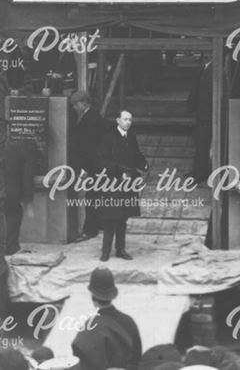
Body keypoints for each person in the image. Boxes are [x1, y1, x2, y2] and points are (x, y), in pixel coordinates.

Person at [94, 110, 148, 261]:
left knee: (123, 218)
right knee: (110, 219)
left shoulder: (131, 137)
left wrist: (143, 164)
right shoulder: (108, 138)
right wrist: (119, 172)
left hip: (128, 183)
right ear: (118, 120)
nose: (128, 122)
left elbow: (136, 155)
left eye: (130, 120)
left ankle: (120, 249)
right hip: (112, 184)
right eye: (125, 119)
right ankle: (105, 251)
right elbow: (102, 162)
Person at [71, 268, 142, 370]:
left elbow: (80, 358)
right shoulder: (129, 321)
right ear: (112, 296)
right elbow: (137, 359)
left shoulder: (89, 327)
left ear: (92, 297)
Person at [68, 91, 108, 241]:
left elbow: (89, 146)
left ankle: (90, 230)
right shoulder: (93, 116)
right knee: (95, 195)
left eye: (75, 105)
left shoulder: (90, 119)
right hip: (97, 163)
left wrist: (84, 168)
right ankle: (98, 224)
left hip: (93, 164)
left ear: (83, 103)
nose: (74, 108)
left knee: (91, 197)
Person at [4, 138, 37, 255]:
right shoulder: (30, 150)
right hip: (13, 189)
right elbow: (28, 176)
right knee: (14, 215)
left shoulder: (8, 147)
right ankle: (11, 247)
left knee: (1, 217)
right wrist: (28, 201)